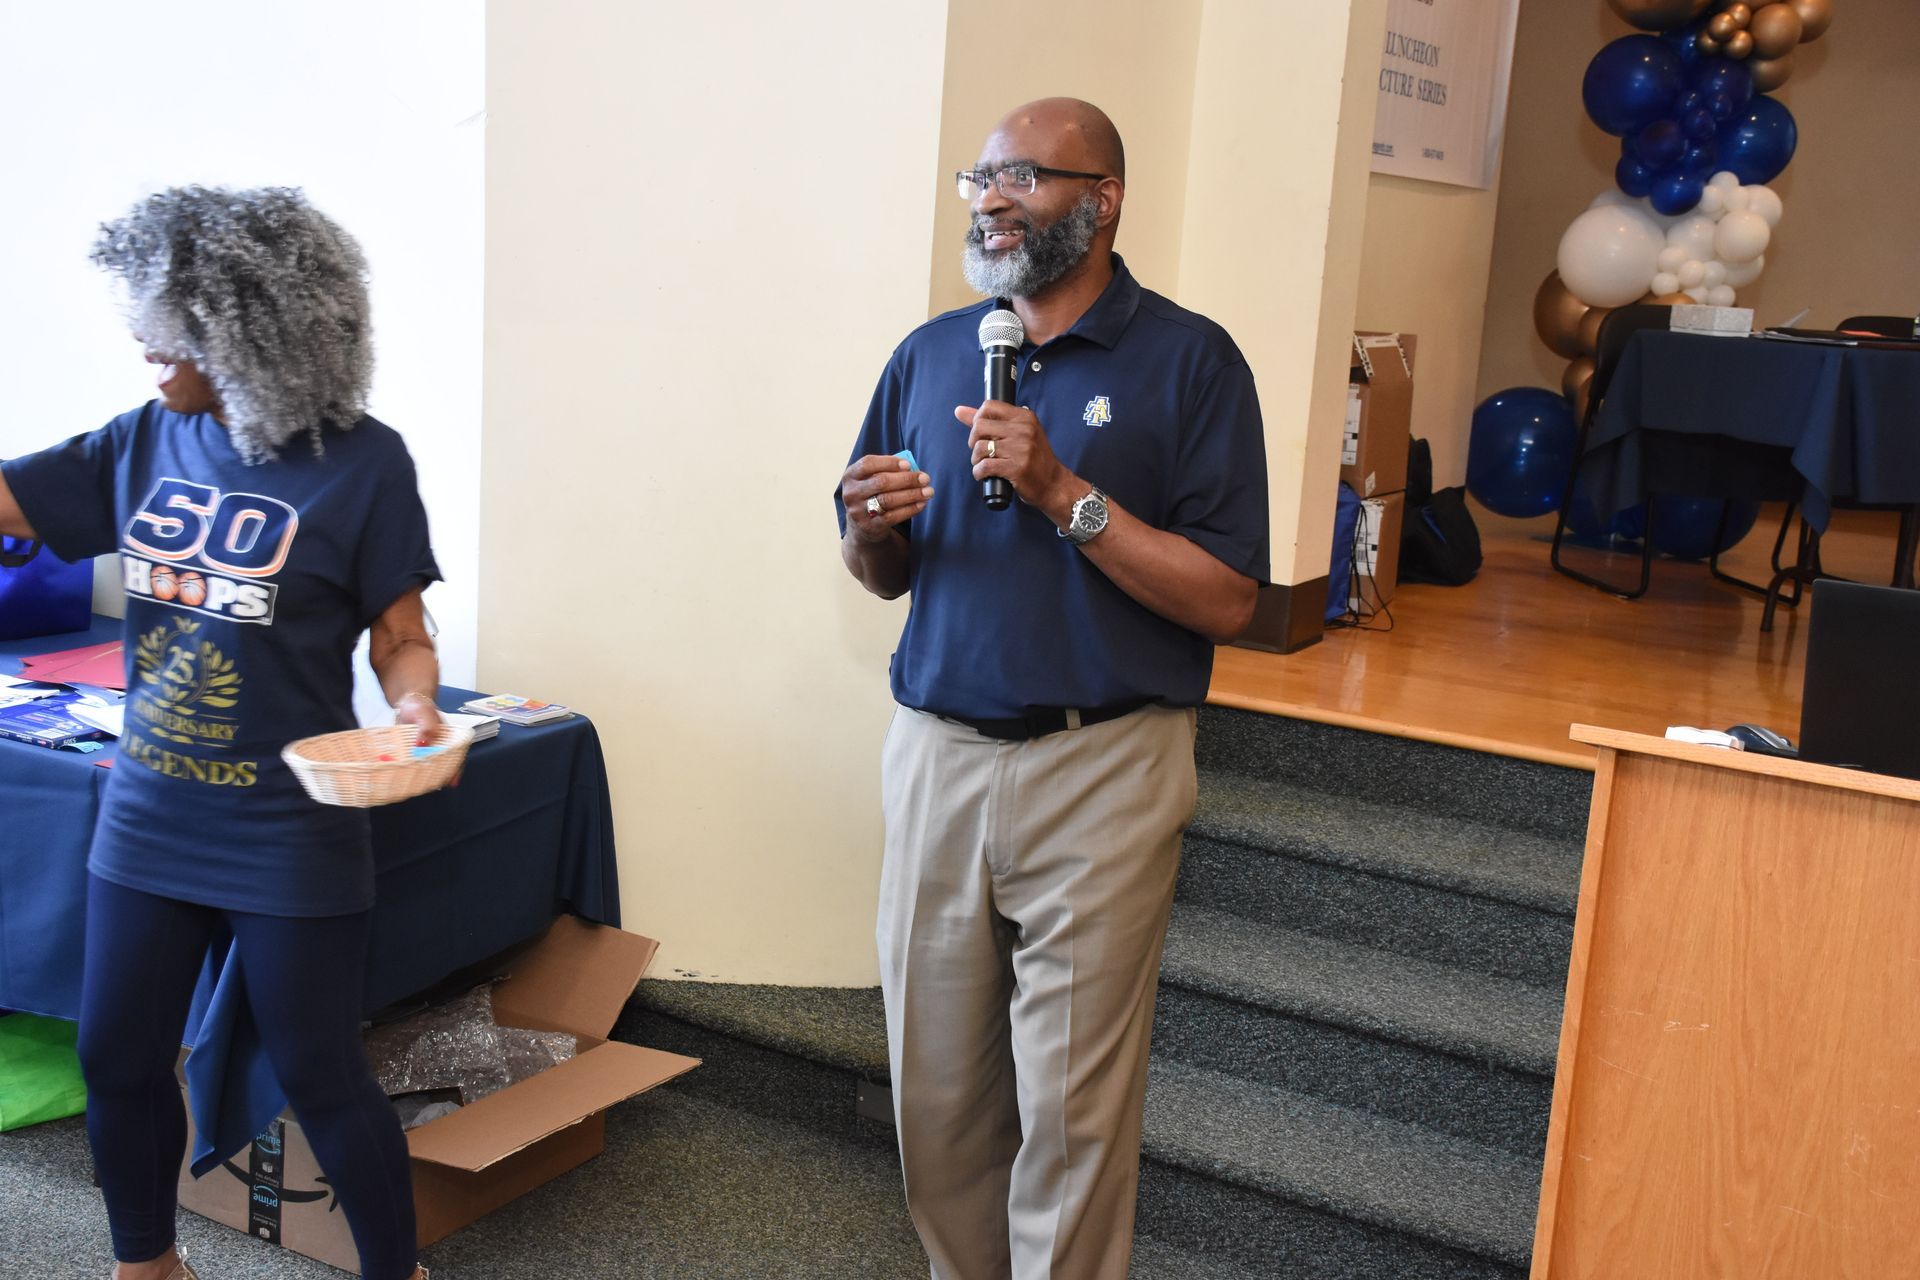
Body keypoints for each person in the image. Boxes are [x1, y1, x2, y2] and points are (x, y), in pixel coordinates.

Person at [836, 99, 1270, 1279]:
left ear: (1103, 199)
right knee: (934, 1102)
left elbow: (1232, 599)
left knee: (1071, 1117)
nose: (988, 196)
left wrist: (1063, 492)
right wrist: (865, 531)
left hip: (1103, 765)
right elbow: (881, 576)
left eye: (1021, 174)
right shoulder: (930, 354)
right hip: (937, 758)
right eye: (978, 176)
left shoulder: (1192, 361)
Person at [0, 187, 441, 1280]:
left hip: (289, 824)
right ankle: (145, 1261)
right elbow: (12, 502)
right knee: (117, 1053)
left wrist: (418, 702)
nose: (152, 364)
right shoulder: (147, 435)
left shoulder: (364, 464)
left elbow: (399, 633)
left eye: (172, 345)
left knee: (318, 1067)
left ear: (255, 336)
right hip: (148, 806)